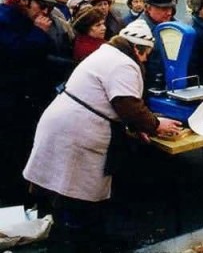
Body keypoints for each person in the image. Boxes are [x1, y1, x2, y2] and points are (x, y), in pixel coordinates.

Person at [23, 19, 182, 249]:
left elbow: (115, 104)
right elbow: (128, 106)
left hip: (65, 124)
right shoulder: (123, 63)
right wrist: (156, 125)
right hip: (75, 131)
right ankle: (75, 244)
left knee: (68, 194)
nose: (146, 59)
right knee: (74, 196)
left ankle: (81, 239)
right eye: (146, 54)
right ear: (137, 49)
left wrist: (137, 128)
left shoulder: (107, 54)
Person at [0, 0, 56, 206]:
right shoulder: (5, 19)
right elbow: (15, 54)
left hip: (26, 98)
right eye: (41, 6)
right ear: (24, 1)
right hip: (9, 100)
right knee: (12, 152)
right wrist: (38, 32)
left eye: (48, 8)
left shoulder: (24, 20)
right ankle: (13, 199)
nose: (44, 12)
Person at [139, 0, 177, 89]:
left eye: (170, 8)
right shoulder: (139, 31)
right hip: (150, 88)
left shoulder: (176, 26)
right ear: (148, 8)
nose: (169, 12)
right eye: (163, 9)